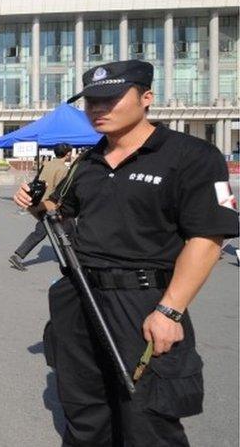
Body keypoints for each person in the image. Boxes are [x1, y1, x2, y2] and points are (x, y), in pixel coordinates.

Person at [13, 59, 239, 445]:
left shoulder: (190, 156)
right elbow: (63, 216)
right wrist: (37, 205)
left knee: (148, 417)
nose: (99, 109)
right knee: (84, 411)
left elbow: (207, 238)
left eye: (111, 99)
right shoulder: (88, 162)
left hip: (145, 302)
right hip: (80, 297)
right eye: (92, 102)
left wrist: (170, 310)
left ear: (146, 98)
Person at [8, 143, 73, 271]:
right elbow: (61, 190)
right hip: (53, 205)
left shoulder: (46, 164)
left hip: (41, 203)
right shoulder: (63, 169)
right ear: (68, 154)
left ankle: (18, 255)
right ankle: (73, 261)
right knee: (70, 232)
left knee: (40, 232)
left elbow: (38, 180)